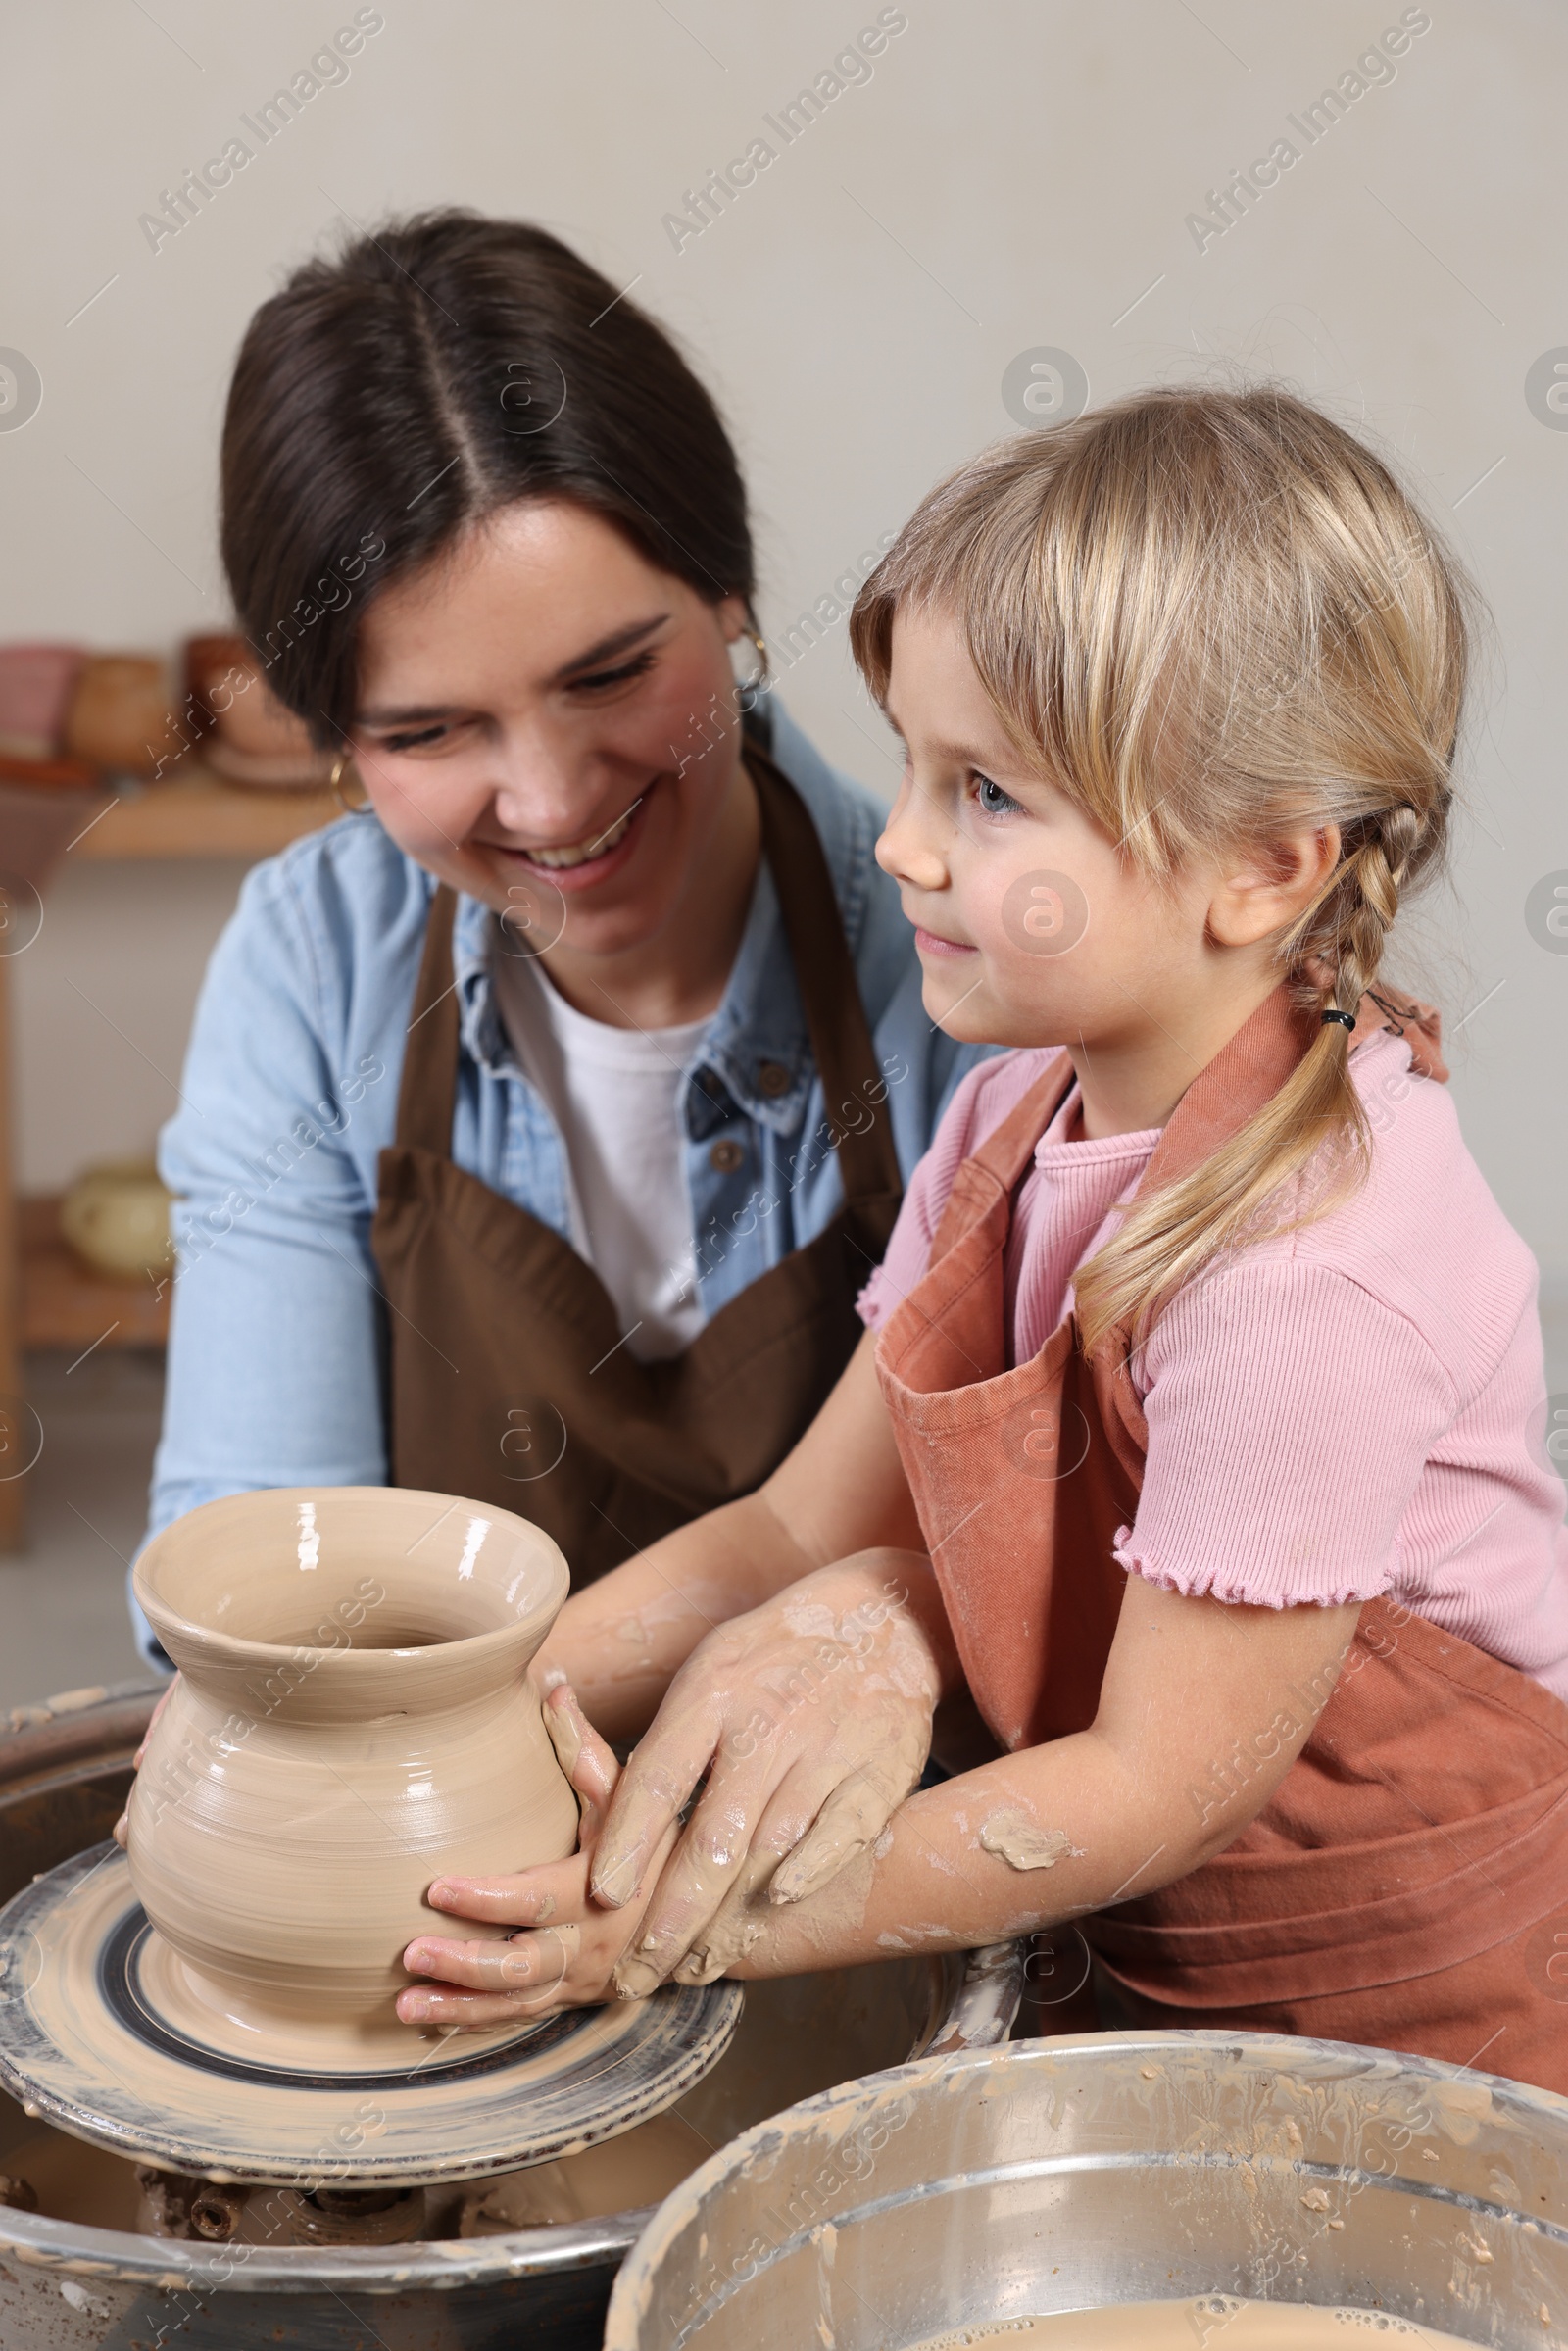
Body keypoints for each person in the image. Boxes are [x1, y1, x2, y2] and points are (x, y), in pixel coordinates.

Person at [398, 385, 1568, 2094]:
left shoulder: (1308, 1274)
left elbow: (1152, 1788)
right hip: (1130, 1929)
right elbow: (797, 1525)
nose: (903, 844)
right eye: (914, 766)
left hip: (1402, 1991)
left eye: (990, 795)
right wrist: (474, 1706)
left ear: (1261, 867)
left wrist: (665, 1926)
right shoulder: (1015, 1117)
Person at [136, 211, 985, 1654]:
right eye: (426, 731)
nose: (547, 800)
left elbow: (1068, 1561)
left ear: (732, 599)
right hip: (442, 1831)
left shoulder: (973, 954)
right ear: (338, 742)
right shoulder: (315, 964)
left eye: (610, 675)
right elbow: (257, 1573)